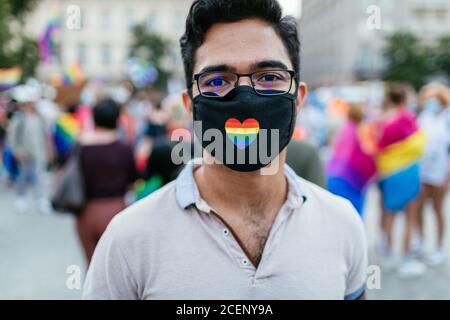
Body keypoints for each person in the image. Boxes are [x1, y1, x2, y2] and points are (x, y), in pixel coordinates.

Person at [83, 0, 367, 300]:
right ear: (189, 105)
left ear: (298, 97)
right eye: (218, 81)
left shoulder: (342, 224)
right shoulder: (130, 238)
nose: (245, 97)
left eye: (269, 77)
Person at [77, 98, 137, 264]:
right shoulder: (124, 149)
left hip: (86, 213)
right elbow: (133, 180)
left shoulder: (80, 147)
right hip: (117, 211)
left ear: (94, 118)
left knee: (92, 269)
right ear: (117, 119)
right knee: (117, 270)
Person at [376, 83, 426, 278]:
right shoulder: (406, 118)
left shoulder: (383, 119)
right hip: (406, 171)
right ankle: (405, 260)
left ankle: (387, 254)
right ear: (404, 99)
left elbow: (378, 146)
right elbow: (420, 144)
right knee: (410, 216)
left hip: (388, 172)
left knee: (390, 214)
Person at [414, 83, 450, 267]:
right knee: (418, 207)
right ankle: (419, 240)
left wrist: (447, 176)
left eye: (433, 98)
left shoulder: (447, 118)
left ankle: (438, 247)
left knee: (437, 209)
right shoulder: (424, 116)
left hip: (440, 172)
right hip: (422, 170)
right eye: (427, 98)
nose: (430, 101)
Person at [6, 85, 53, 214]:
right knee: (23, 176)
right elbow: (12, 137)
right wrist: (17, 151)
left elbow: (45, 136)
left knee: (39, 176)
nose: (34, 104)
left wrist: (49, 151)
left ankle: (41, 199)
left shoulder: (40, 117)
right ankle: (20, 197)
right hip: (24, 153)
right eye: (32, 102)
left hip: (39, 152)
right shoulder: (19, 118)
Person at [326, 103, 376, 216]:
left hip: (334, 174)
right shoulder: (360, 131)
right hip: (350, 179)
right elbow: (367, 154)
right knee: (352, 216)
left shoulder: (346, 128)